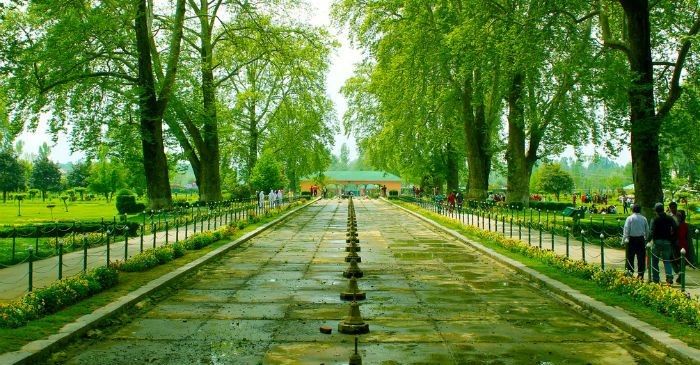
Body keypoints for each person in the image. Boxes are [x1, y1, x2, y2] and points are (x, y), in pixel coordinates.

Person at [648, 202, 678, 284]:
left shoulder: (654, 219)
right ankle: (669, 278)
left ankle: (656, 278)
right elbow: (675, 228)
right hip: (667, 241)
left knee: (654, 261)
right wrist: (672, 237)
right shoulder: (669, 218)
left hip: (657, 242)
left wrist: (647, 240)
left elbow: (651, 232)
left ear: (656, 210)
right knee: (667, 261)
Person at [622, 204, 648, 278]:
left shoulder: (630, 218)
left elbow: (626, 230)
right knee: (641, 258)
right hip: (641, 239)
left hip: (632, 239)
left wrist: (624, 240)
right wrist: (646, 239)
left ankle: (630, 272)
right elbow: (647, 230)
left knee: (630, 257)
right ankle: (640, 274)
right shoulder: (644, 218)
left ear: (632, 210)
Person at [674, 210, 696, 281]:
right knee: (679, 262)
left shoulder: (683, 225)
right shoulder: (679, 224)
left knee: (681, 262)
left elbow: (682, 235)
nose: (677, 217)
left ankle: (681, 276)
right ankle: (680, 275)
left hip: (681, 246)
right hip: (680, 245)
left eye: (679, 216)